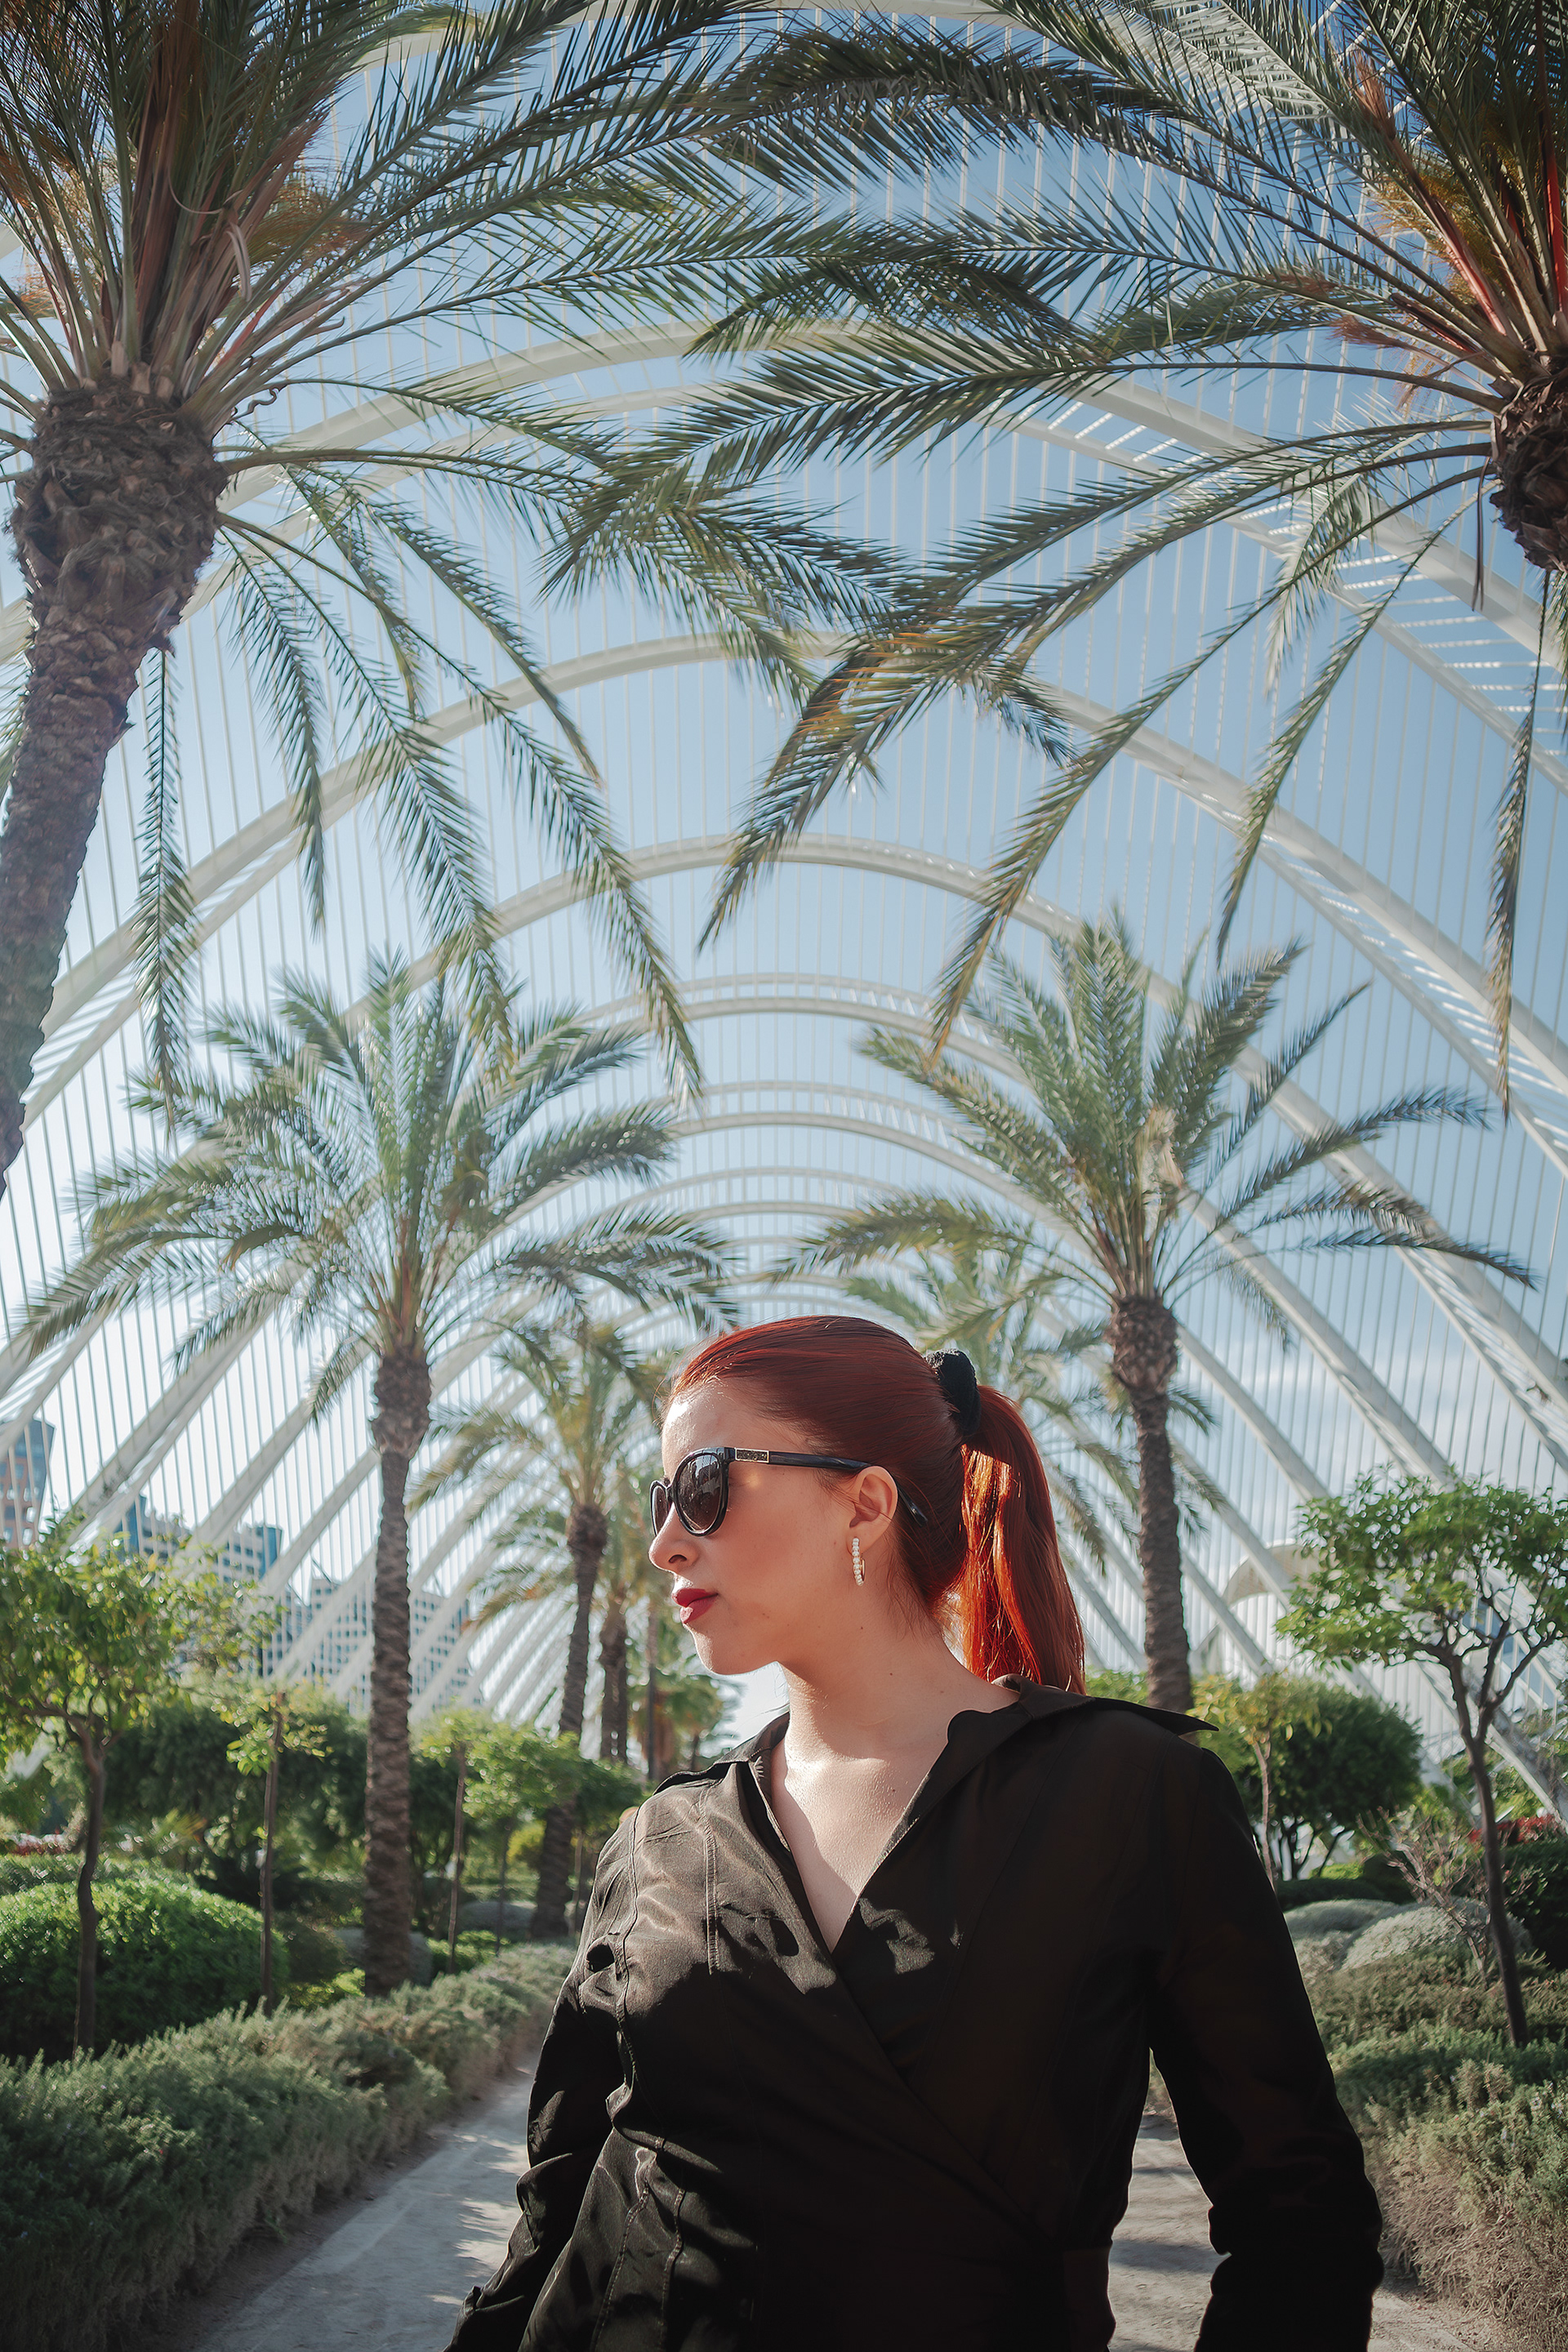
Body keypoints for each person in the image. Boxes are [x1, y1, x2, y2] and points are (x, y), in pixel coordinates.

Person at [448, 1315, 1382, 2352]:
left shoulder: (1130, 1797)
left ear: (866, 1502)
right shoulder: (660, 1838)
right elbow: (560, 2204)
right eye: (660, 1500)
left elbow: (1301, 2222)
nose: (666, 1540)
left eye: (704, 1486)